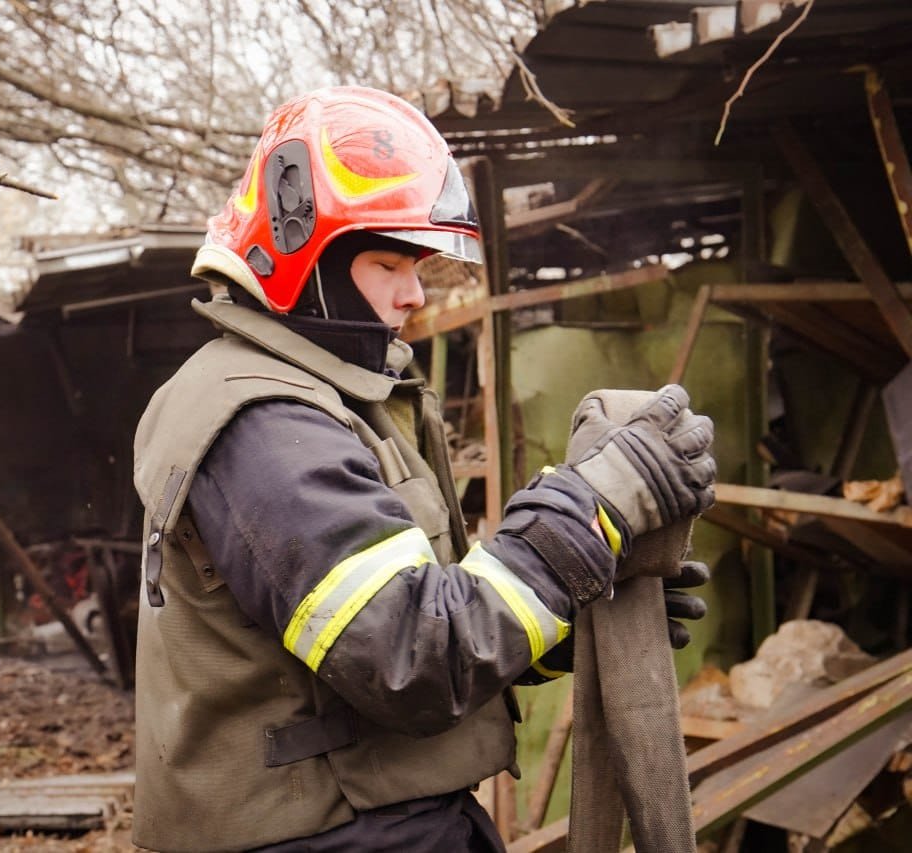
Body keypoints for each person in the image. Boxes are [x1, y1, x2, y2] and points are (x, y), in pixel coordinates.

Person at [131, 86, 715, 852]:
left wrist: (554, 626)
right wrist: (589, 510)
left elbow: (393, 634)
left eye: (417, 265)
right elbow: (409, 654)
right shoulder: (265, 424)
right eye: (387, 264)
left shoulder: (328, 398)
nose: (414, 293)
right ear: (303, 255)